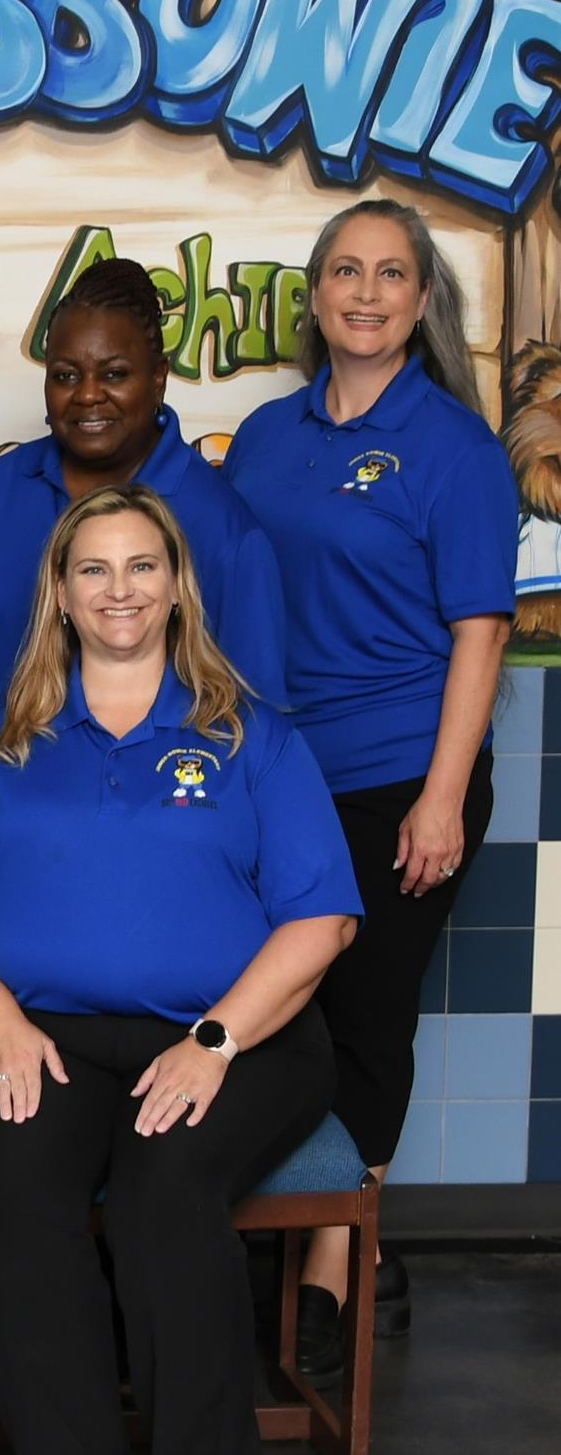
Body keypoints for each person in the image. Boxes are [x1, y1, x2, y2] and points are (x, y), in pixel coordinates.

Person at [0, 484, 360, 1455]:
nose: (119, 589)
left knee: (162, 1190)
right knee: (16, 1189)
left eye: (141, 565)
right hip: (32, 1030)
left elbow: (323, 919)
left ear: (176, 585)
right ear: (58, 592)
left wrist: (213, 1039)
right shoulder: (2, 742)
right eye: (94, 568)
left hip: (233, 1032)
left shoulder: (251, 736)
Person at [223, 199, 516, 1377]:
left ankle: (335, 1271)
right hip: (278, 782)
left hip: (401, 775)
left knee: (366, 1021)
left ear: (420, 300)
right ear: (314, 291)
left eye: (391, 274)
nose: (365, 291)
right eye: (345, 269)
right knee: (270, 1014)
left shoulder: (453, 445)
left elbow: (481, 633)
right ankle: (282, 1233)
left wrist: (440, 797)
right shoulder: (261, 435)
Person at [0, 257, 286, 729]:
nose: (87, 395)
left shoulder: (223, 528)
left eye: (114, 374)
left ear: (158, 378)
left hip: (146, 800)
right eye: (66, 375)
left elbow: (255, 718)